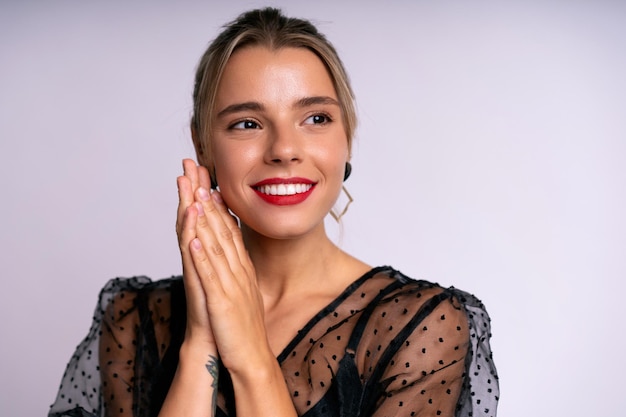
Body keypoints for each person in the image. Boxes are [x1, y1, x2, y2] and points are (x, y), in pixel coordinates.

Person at [48, 7, 499, 417]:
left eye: (316, 118)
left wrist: (249, 356)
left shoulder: (421, 328)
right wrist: (200, 341)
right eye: (247, 123)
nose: (284, 149)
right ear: (203, 145)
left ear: (347, 135)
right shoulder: (134, 319)